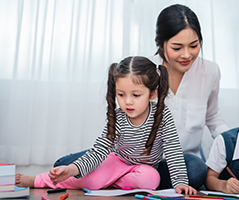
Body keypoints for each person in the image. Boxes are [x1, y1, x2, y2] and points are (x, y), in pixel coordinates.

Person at [53, 4, 228, 189]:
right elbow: (114, 130)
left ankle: (118, 179)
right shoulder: (144, 71)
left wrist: (233, 141)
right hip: (125, 156)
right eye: (177, 47)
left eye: (194, 45)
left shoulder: (210, 71)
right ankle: (123, 178)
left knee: (196, 170)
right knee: (62, 167)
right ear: (160, 43)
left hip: (169, 162)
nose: (186, 54)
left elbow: (212, 116)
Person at [15, 56, 196, 195]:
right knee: (92, 180)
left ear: (152, 93)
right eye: (121, 94)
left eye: (136, 95)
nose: (128, 102)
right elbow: (99, 150)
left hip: (143, 168)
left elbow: (173, 150)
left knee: (151, 180)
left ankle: (106, 180)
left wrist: (180, 182)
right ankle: (39, 180)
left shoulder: (162, 115)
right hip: (117, 161)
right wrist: (71, 169)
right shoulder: (118, 118)